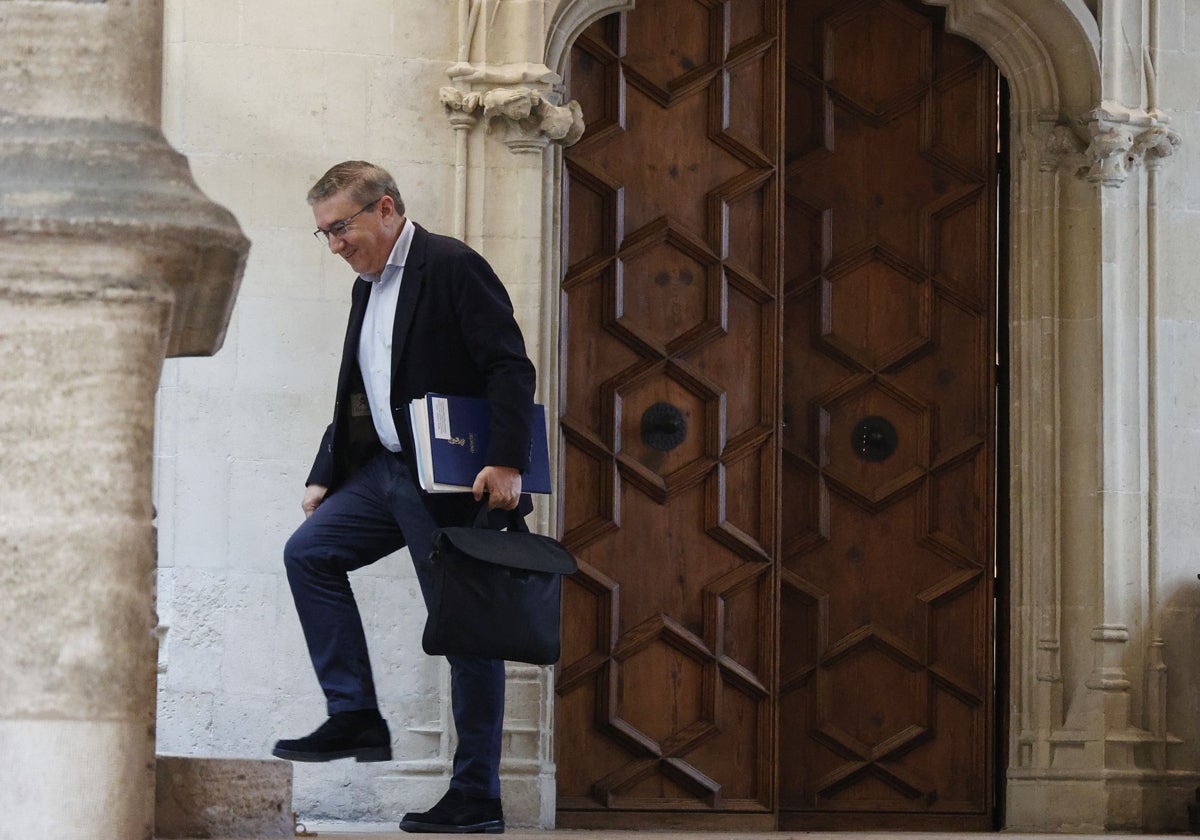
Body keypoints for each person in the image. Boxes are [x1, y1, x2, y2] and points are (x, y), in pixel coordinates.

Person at [272, 160, 536, 835]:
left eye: (341, 228)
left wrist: (509, 462)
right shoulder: (368, 286)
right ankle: (354, 710)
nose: (334, 246)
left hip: (452, 483)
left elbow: (509, 364)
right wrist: (325, 471)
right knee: (309, 554)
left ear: (385, 209)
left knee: (467, 636)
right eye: (323, 234)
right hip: (384, 474)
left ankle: (476, 796)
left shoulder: (450, 265)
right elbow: (361, 389)